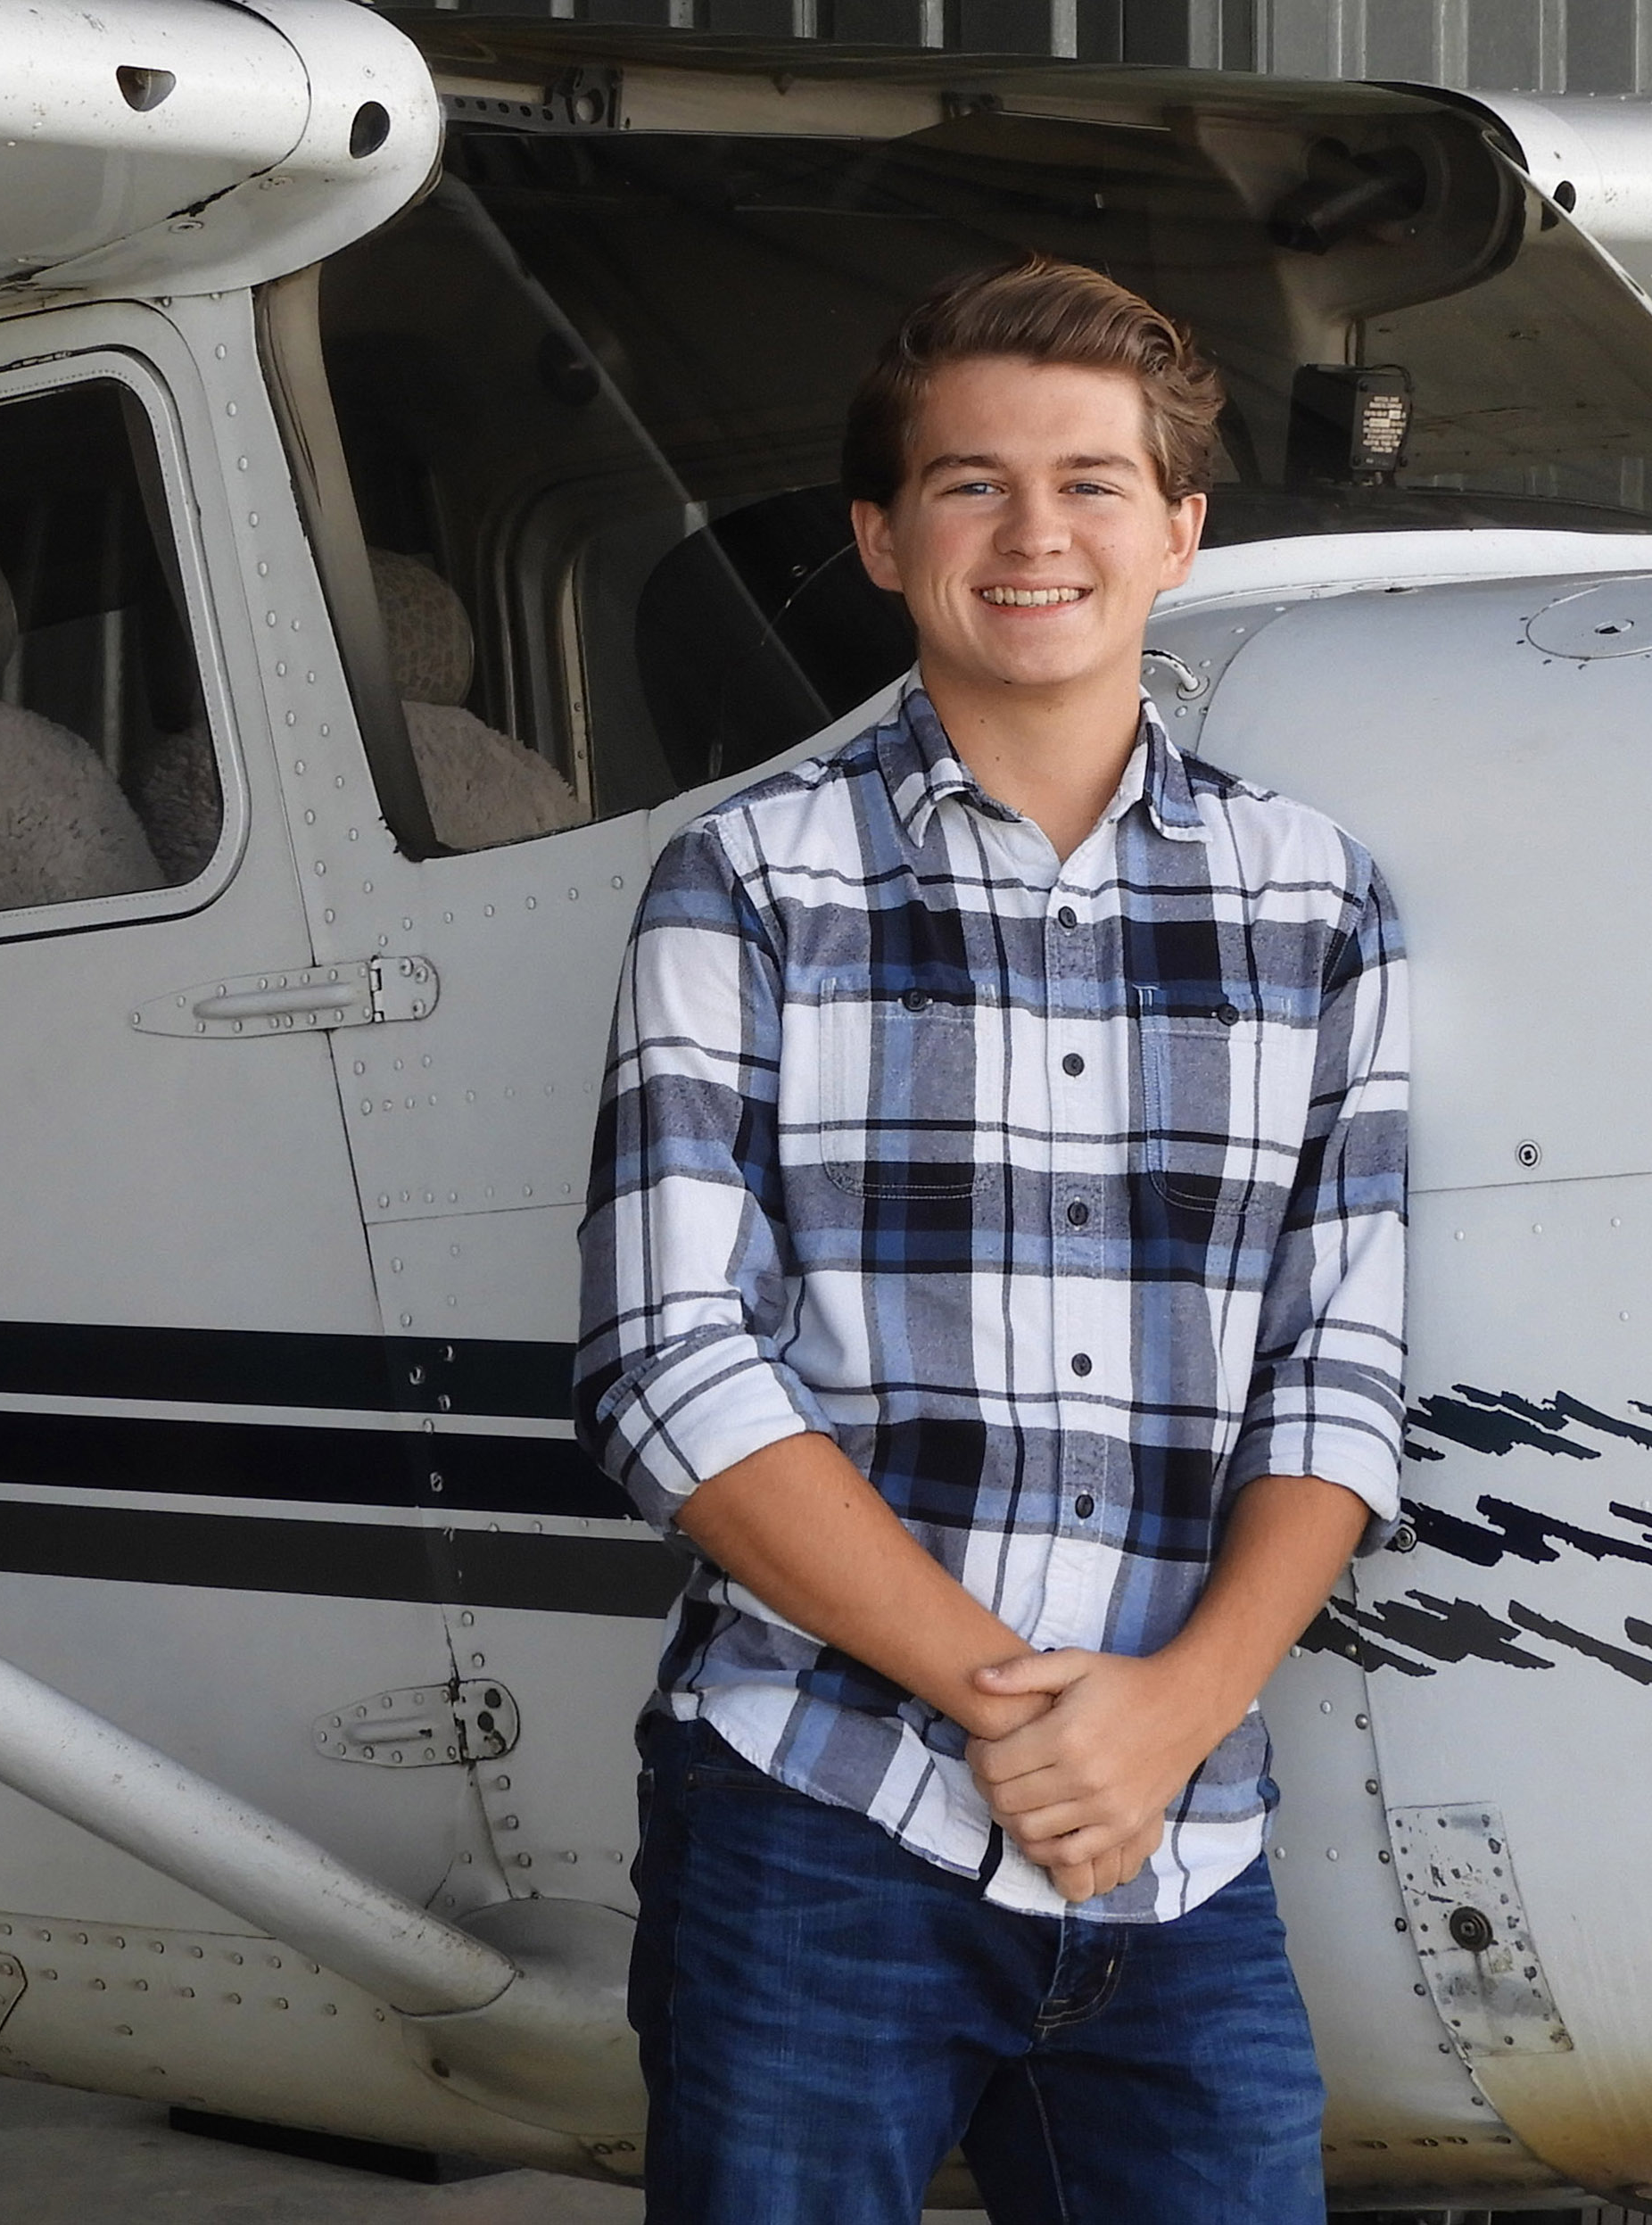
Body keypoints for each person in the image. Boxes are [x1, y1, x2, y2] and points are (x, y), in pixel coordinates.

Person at [574, 255, 1408, 2225]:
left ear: (1180, 530)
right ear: (880, 535)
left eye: (1093, 482)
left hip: (1181, 1844)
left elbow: (1339, 1367)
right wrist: (1022, 1708)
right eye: (968, 483)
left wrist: (1168, 1715)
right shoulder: (748, 878)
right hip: (814, 1812)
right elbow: (660, 1358)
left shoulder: (1314, 895)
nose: (1035, 533)